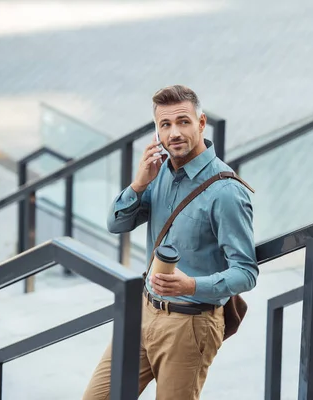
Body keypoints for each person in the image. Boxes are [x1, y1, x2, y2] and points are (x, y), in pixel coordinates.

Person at [82, 85, 258, 400]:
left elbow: (246, 272)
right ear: (157, 131)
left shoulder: (226, 191)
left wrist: (190, 285)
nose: (174, 132)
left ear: (201, 123)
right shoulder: (160, 172)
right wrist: (138, 183)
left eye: (183, 121)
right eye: (165, 125)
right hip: (144, 312)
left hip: (190, 324)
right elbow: (116, 224)